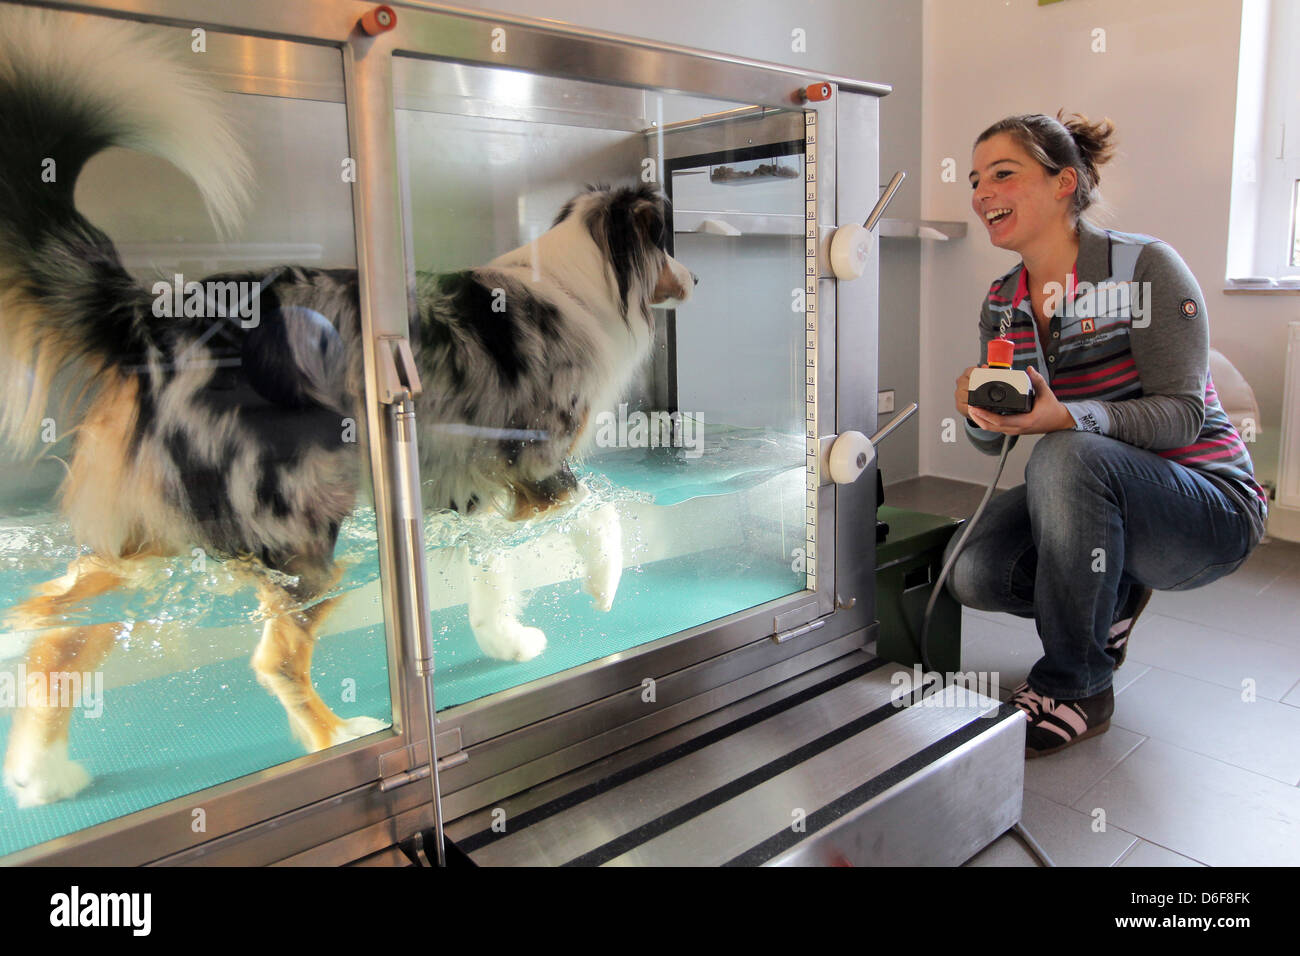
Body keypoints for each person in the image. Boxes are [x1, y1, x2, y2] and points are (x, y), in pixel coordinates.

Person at [947, 111, 1268, 758]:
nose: (981, 193)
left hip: (1208, 505)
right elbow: (1000, 442)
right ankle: (1109, 595)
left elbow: (1180, 413)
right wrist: (978, 414)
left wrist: (1064, 418)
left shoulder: (1147, 267)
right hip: (1103, 489)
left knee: (1066, 455)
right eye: (976, 180)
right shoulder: (1004, 299)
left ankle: (1078, 684)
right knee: (971, 569)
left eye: (1003, 175)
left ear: (1064, 182)